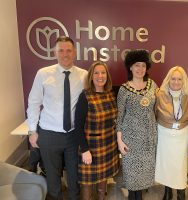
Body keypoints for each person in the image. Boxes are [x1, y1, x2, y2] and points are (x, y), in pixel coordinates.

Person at [27, 36, 87, 200]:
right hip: (49, 134)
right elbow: (33, 103)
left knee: (74, 177)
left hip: (73, 135)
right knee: (53, 179)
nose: (65, 54)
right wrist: (32, 131)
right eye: (61, 50)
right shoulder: (43, 74)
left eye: (69, 50)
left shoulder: (84, 76)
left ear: (74, 52)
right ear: (55, 52)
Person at [75, 61, 120, 200]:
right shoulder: (85, 96)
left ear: (107, 75)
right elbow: (78, 126)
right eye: (96, 73)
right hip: (90, 147)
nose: (100, 76)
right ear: (91, 76)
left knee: (103, 179)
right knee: (87, 183)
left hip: (108, 146)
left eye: (103, 72)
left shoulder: (112, 94)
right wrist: (84, 150)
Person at [116, 49, 157, 200]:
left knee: (145, 173)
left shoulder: (153, 85)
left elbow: (160, 107)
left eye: (143, 66)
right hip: (130, 139)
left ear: (147, 68)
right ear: (130, 67)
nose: (140, 69)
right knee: (131, 174)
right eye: (136, 65)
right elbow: (119, 117)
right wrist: (119, 141)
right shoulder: (124, 89)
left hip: (148, 138)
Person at [155, 66, 188, 200]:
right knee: (166, 163)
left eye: (179, 79)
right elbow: (154, 113)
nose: (176, 82)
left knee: (179, 164)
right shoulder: (160, 94)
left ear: (184, 80)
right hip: (164, 133)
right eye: (173, 78)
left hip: (181, 134)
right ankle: (167, 192)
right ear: (168, 79)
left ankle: (180, 193)